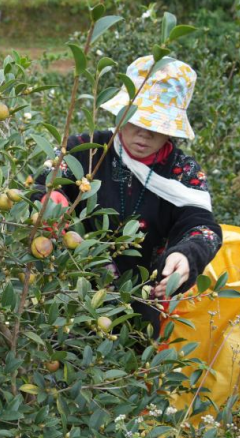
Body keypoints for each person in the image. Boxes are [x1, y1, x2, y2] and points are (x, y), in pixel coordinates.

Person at [35, 55, 222, 334]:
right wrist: (50, 201)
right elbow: (45, 184)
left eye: (156, 126)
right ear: (122, 112)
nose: (144, 135)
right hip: (64, 295)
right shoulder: (86, 150)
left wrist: (186, 256)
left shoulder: (182, 173)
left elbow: (202, 227)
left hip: (135, 309)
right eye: (136, 120)